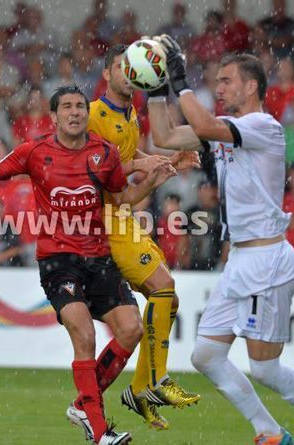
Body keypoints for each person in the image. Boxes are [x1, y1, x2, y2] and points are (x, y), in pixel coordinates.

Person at [0, 85, 177, 445]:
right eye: (66, 107)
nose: (75, 112)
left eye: (80, 106)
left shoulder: (105, 153)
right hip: (58, 261)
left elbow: (122, 196)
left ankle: (83, 404)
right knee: (85, 334)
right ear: (54, 117)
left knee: (131, 330)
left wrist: (153, 181)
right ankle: (100, 433)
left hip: (98, 257)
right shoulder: (35, 151)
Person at [147, 34, 294, 444]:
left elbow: (204, 125)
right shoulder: (226, 130)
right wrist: (156, 87)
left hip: (267, 261)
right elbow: (165, 137)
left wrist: (181, 80)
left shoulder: (263, 126)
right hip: (240, 260)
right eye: (217, 82)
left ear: (251, 86)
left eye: (226, 81)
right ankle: (269, 431)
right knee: (205, 355)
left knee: (263, 368)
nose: (219, 88)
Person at [86, 44, 201, 431]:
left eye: (132, 67)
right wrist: (147, 165)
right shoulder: (94, 115)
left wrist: (162, 162)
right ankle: (155, 381)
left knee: (168, 297)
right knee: (163, 287)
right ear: (107, 75)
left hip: (123, 215)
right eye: (122, 66)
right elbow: (101, 167)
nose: (128, 72)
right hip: (104, 220)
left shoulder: (131, 114)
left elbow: (126, 158)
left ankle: (137, 390)